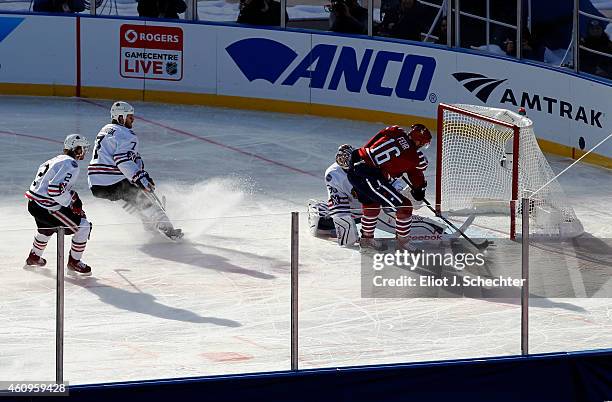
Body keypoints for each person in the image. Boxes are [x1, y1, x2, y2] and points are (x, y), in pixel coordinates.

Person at [309, 144, 447, 247]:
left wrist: (405, 193)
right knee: (325, 226)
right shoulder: (333, 174)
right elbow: (339, 206)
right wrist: (347, 234)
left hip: (376, 204)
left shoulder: (368, 164)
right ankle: (436, 231)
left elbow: (393, 185)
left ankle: (436, 230)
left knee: (400, 212)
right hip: (356, 210)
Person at [88, 101, 183, 240]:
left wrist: (139, 171)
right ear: (120, 117)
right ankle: (169, 230)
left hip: (95, 185)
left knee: (129, 201)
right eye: (130, 117)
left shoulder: (106, 129)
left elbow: (128, 157)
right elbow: (123, 161)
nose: (133, 120)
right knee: (145, 201)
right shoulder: (126, 134)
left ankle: (148, 223)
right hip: (112, 181)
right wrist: (141, 179)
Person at [347, 124, 431, 252]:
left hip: (354, 165)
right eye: (423, 144)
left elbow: (373, 142)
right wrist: (419, 189)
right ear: (419, 141)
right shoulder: (416, 157)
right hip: (370, 176)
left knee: (371, 203)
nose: (422, 146)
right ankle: (403, 243)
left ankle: (366, 240)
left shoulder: (394, 130)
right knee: (405, 206)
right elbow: (415, 172)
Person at [25, 134, 93, 276]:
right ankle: (74, 262)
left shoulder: (54, 160)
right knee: (83, 226)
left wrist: (72, 198)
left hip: (33, 204)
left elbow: (52, 187)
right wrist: (70, 204)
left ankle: (34, 257)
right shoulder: (71, 164)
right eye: (83, 148)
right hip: (46, 207)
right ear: (76, 148)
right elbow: (54, 190)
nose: (84, 152)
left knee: (47, 228)